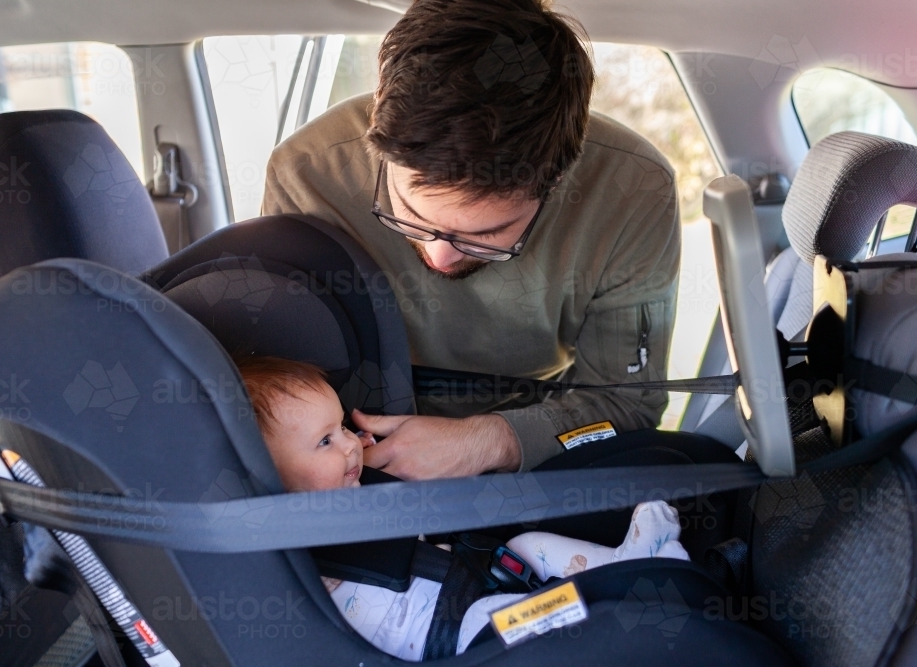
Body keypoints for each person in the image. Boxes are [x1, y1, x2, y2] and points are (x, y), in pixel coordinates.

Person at [262, 0, 680, 481]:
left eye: (487, 235)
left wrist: (492, 440)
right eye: (411, 216)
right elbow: (279, 390)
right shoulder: (304, 173)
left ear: (561, 178)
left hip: (538, 441)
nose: (440, 258)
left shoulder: (634, 191)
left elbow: (628, 403)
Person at [234, 355, 689, 660]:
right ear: (270, 478)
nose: (351, 445)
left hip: (462, 581)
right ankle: (618, 600)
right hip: (454, 636)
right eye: (326, 440)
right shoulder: (292, 547)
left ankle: (627, 565)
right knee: (521, 619)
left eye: (342, 427)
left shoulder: (349, 490)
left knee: (529, 545)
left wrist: (355, 465)